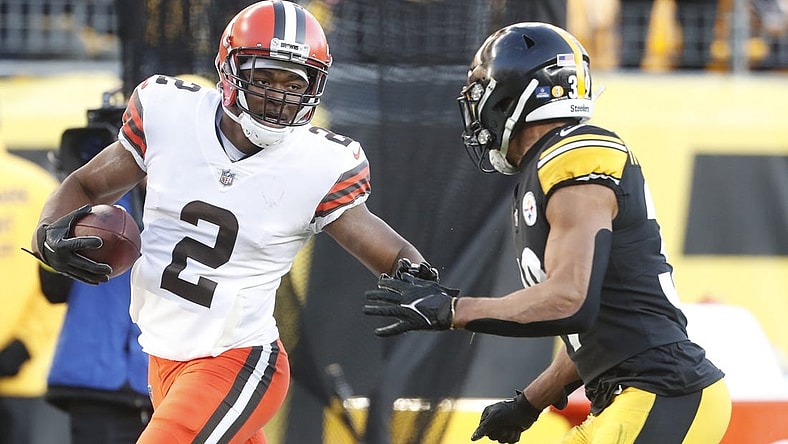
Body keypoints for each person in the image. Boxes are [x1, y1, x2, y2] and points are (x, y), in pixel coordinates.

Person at [26, 1, 431, 443]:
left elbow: (384, 247)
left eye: (294, 83)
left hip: (238, 360)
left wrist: (418, 280)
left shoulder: (319, 164)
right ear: (230, 71)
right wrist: (48, 232)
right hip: (165, 360)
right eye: (265, 78)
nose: (279, 96)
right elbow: (85, 185)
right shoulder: (170, 115)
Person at [363, 22, 731, 443]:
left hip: (661, 390)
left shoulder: (575, 156)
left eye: (483, 92)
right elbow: (595, 337)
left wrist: (453, 310)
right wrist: (528, 404)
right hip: (635, 394)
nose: (477, 108)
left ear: (512, 95)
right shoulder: (548, 169)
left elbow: (569, 301)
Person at [42, 102, 152, 444]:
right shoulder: (100, 211)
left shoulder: (197, 209)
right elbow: (53, 289)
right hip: (94, 379)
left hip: (166, 377)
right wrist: (70, 203)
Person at [0, 143, 68, 444]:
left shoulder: (39, 188)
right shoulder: (42, 187)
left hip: (24, 376)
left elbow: (57, 279)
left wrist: (25, 346)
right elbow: (59, 279)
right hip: (25, 370)